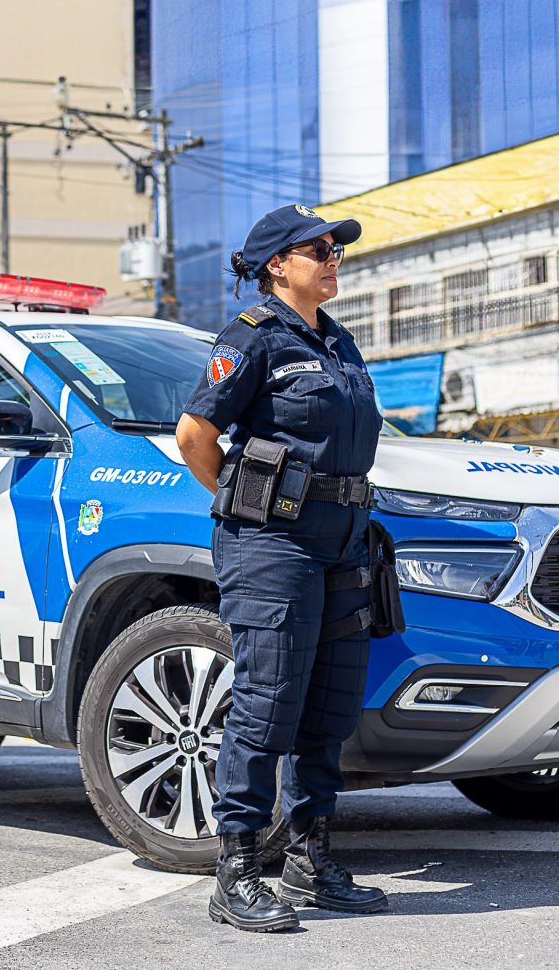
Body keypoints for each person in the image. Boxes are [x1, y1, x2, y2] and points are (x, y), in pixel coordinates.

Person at [176, 205, 387, 932]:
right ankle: (235, 871)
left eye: (335, 249)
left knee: (328, 706)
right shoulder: (254, 337)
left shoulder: (339, 343)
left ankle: (310, 858)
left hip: (343, 543)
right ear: (277, 265)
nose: (333, 259)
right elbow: (195, 434)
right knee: (268, 702)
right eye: (318, 250)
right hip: (274, 546)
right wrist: (252, 504)